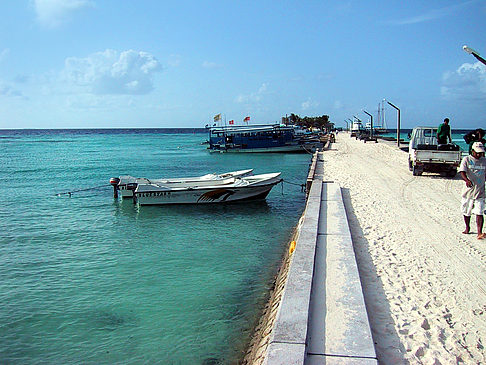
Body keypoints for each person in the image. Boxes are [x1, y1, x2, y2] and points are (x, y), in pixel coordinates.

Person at [459, 141, 486, 239]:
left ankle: (480, 232)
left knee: (479, 211)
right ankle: (467, 227)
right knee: (466, 211)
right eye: (477, 152)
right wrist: (466, 180)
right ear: (472, 151)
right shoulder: (466, 159)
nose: (479, 154)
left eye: (481, 153)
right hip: (468, 191)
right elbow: (462, 172)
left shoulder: (484, 161)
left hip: (480, 191)